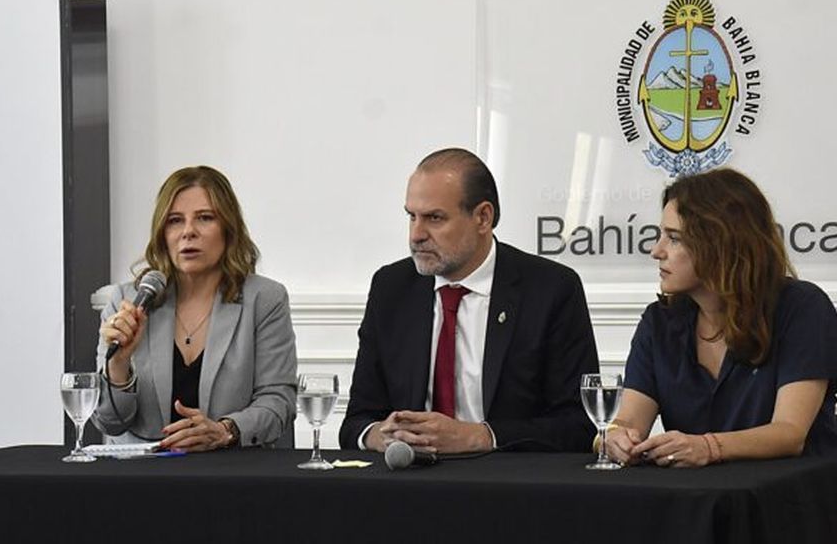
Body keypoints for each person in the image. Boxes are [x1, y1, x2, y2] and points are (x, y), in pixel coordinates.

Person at [604, 167, 837, 543]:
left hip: (797, 516)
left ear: (720, 243)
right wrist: (614, 438)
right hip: (705, 516)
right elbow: (629, 419)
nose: (655, 250)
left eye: (673, 238)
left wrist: (706, 447)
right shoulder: (659, 322)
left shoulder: (802, 308)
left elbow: (788, 434)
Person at [340, 148, 599, 453]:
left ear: (482, 217)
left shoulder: (550, 289)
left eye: (434, 218)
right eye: (411, 217)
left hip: (512, 488)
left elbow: (579, 424)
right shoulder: (392, 288)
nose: (416, 234)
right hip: (409, 487)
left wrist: (479, 436)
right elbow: (356, 421)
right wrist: (382, 436)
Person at [92, 166, 297, 451]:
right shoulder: (128, 300)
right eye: (175, 221)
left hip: (232, 474)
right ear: (162, 234)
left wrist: (226, 430)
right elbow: (110, 422)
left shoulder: (264, 299)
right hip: (143, 478)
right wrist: (119, 364)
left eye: (205, 218)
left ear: (229, 228)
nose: (188, 232)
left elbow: (278, 401)